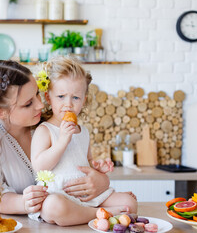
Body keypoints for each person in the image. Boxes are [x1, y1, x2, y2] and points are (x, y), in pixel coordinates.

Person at [0, 60, 115, 226]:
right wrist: (24, 202)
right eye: (28, 103)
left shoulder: (46, 122)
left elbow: (78, 163)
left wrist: (102, 180)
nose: (40, 105)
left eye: (37, 93)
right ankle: (101, 214)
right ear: (0, 113)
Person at [30, 56, 137, 224]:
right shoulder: (45, 130)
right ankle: (100, 214)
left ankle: (94, 212)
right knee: (53, 207)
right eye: (61, 96)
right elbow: (38, 167)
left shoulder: (83, 131)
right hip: (59, 194)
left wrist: (98, 168)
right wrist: (62, 141)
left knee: (129, 203)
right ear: (48, 97)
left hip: (87, 195)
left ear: (84, 100)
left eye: (75, 98)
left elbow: (87, 162)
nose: (68, 104)